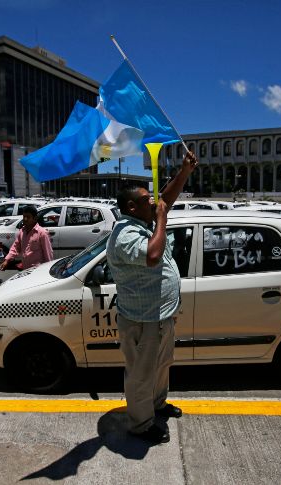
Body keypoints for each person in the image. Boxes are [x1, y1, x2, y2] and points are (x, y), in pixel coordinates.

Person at [106, 149, 199, 445]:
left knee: (161, 366)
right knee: (141, 375)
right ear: (132, 207)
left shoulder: (143, 221)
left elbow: (166, 201)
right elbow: (153, 255)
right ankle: (141, 424)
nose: (154, 202)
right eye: (147, 199)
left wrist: (184, 171)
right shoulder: (125, 234)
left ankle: (157, 405)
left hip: (161, 315)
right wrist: (162, 218)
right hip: (143, 321)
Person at [0, 205, 53, 271]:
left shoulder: (42, 233)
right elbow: (15, 247)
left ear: (35, 218)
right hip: (25, 270)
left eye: (28, 217)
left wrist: (48, 270)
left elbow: (48, 254)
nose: (25, 219)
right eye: (24, 216)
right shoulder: (22, 231)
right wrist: (6, 260)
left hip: (38, 271)